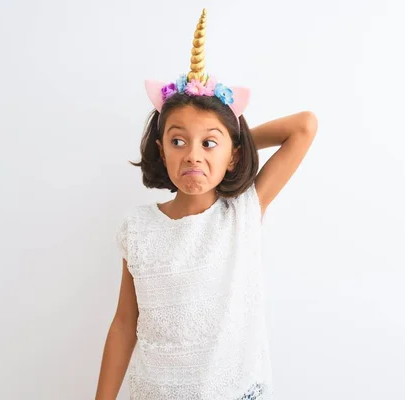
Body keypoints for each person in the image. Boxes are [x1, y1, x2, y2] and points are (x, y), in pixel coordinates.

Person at [94, 8, 317, 400]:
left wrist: (234, 140)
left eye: (208, 143)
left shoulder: (241, 213)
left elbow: (304, 126)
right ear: (161, 151)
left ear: (231, 154)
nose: (194, 155)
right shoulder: (139, 229)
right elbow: (125, 323)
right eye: (179, 141)